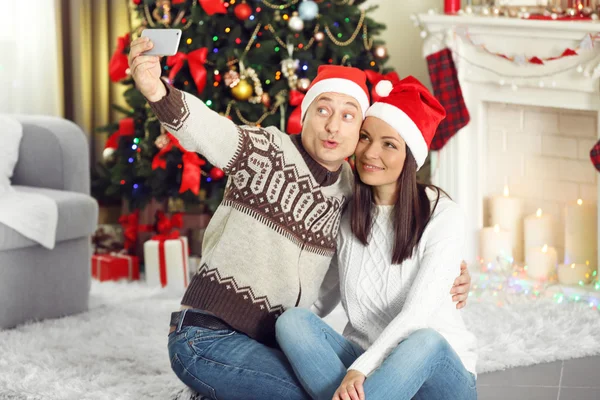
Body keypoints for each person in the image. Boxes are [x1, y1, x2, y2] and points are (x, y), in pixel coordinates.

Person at [128, 37, 473, 400]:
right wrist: (157, 91)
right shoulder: (266, 151)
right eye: (323, 110)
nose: (333, 127)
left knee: (327, 377)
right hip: (207, 333)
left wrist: (453, 274)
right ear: (305, 113)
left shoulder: (350, 194)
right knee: (312, 377)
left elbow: (328, 288)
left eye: (348, 116)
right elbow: (210, 132)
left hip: (279, 344)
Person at [275, 77, 478, 400]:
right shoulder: (349, 214)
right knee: (292, 322)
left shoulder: (443, 215)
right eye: (365, 138)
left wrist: (361, 369)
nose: (370, 153)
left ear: (410, 156)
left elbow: (416, 315)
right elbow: (322, 298)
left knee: (424, 339)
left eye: (389, 144)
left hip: (435, 374)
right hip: (369, 370)